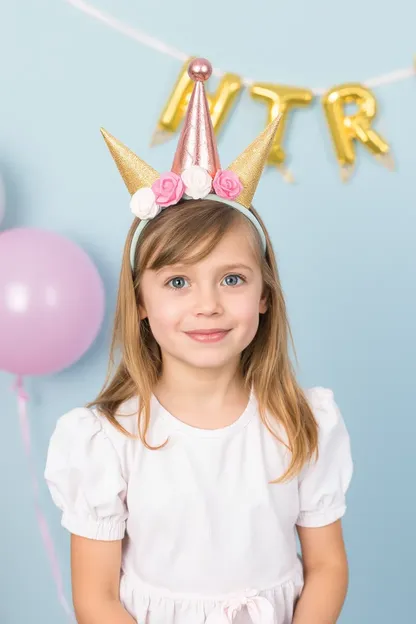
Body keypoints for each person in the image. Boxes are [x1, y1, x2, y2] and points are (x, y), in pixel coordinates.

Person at [44, 58, 353, 624]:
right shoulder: (105, 439)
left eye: (232, 279)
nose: (207, 303)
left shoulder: (302, 422)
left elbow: (327, 567)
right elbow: (97, 597)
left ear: (265, 294)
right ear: (141, 302)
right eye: (178, 281)